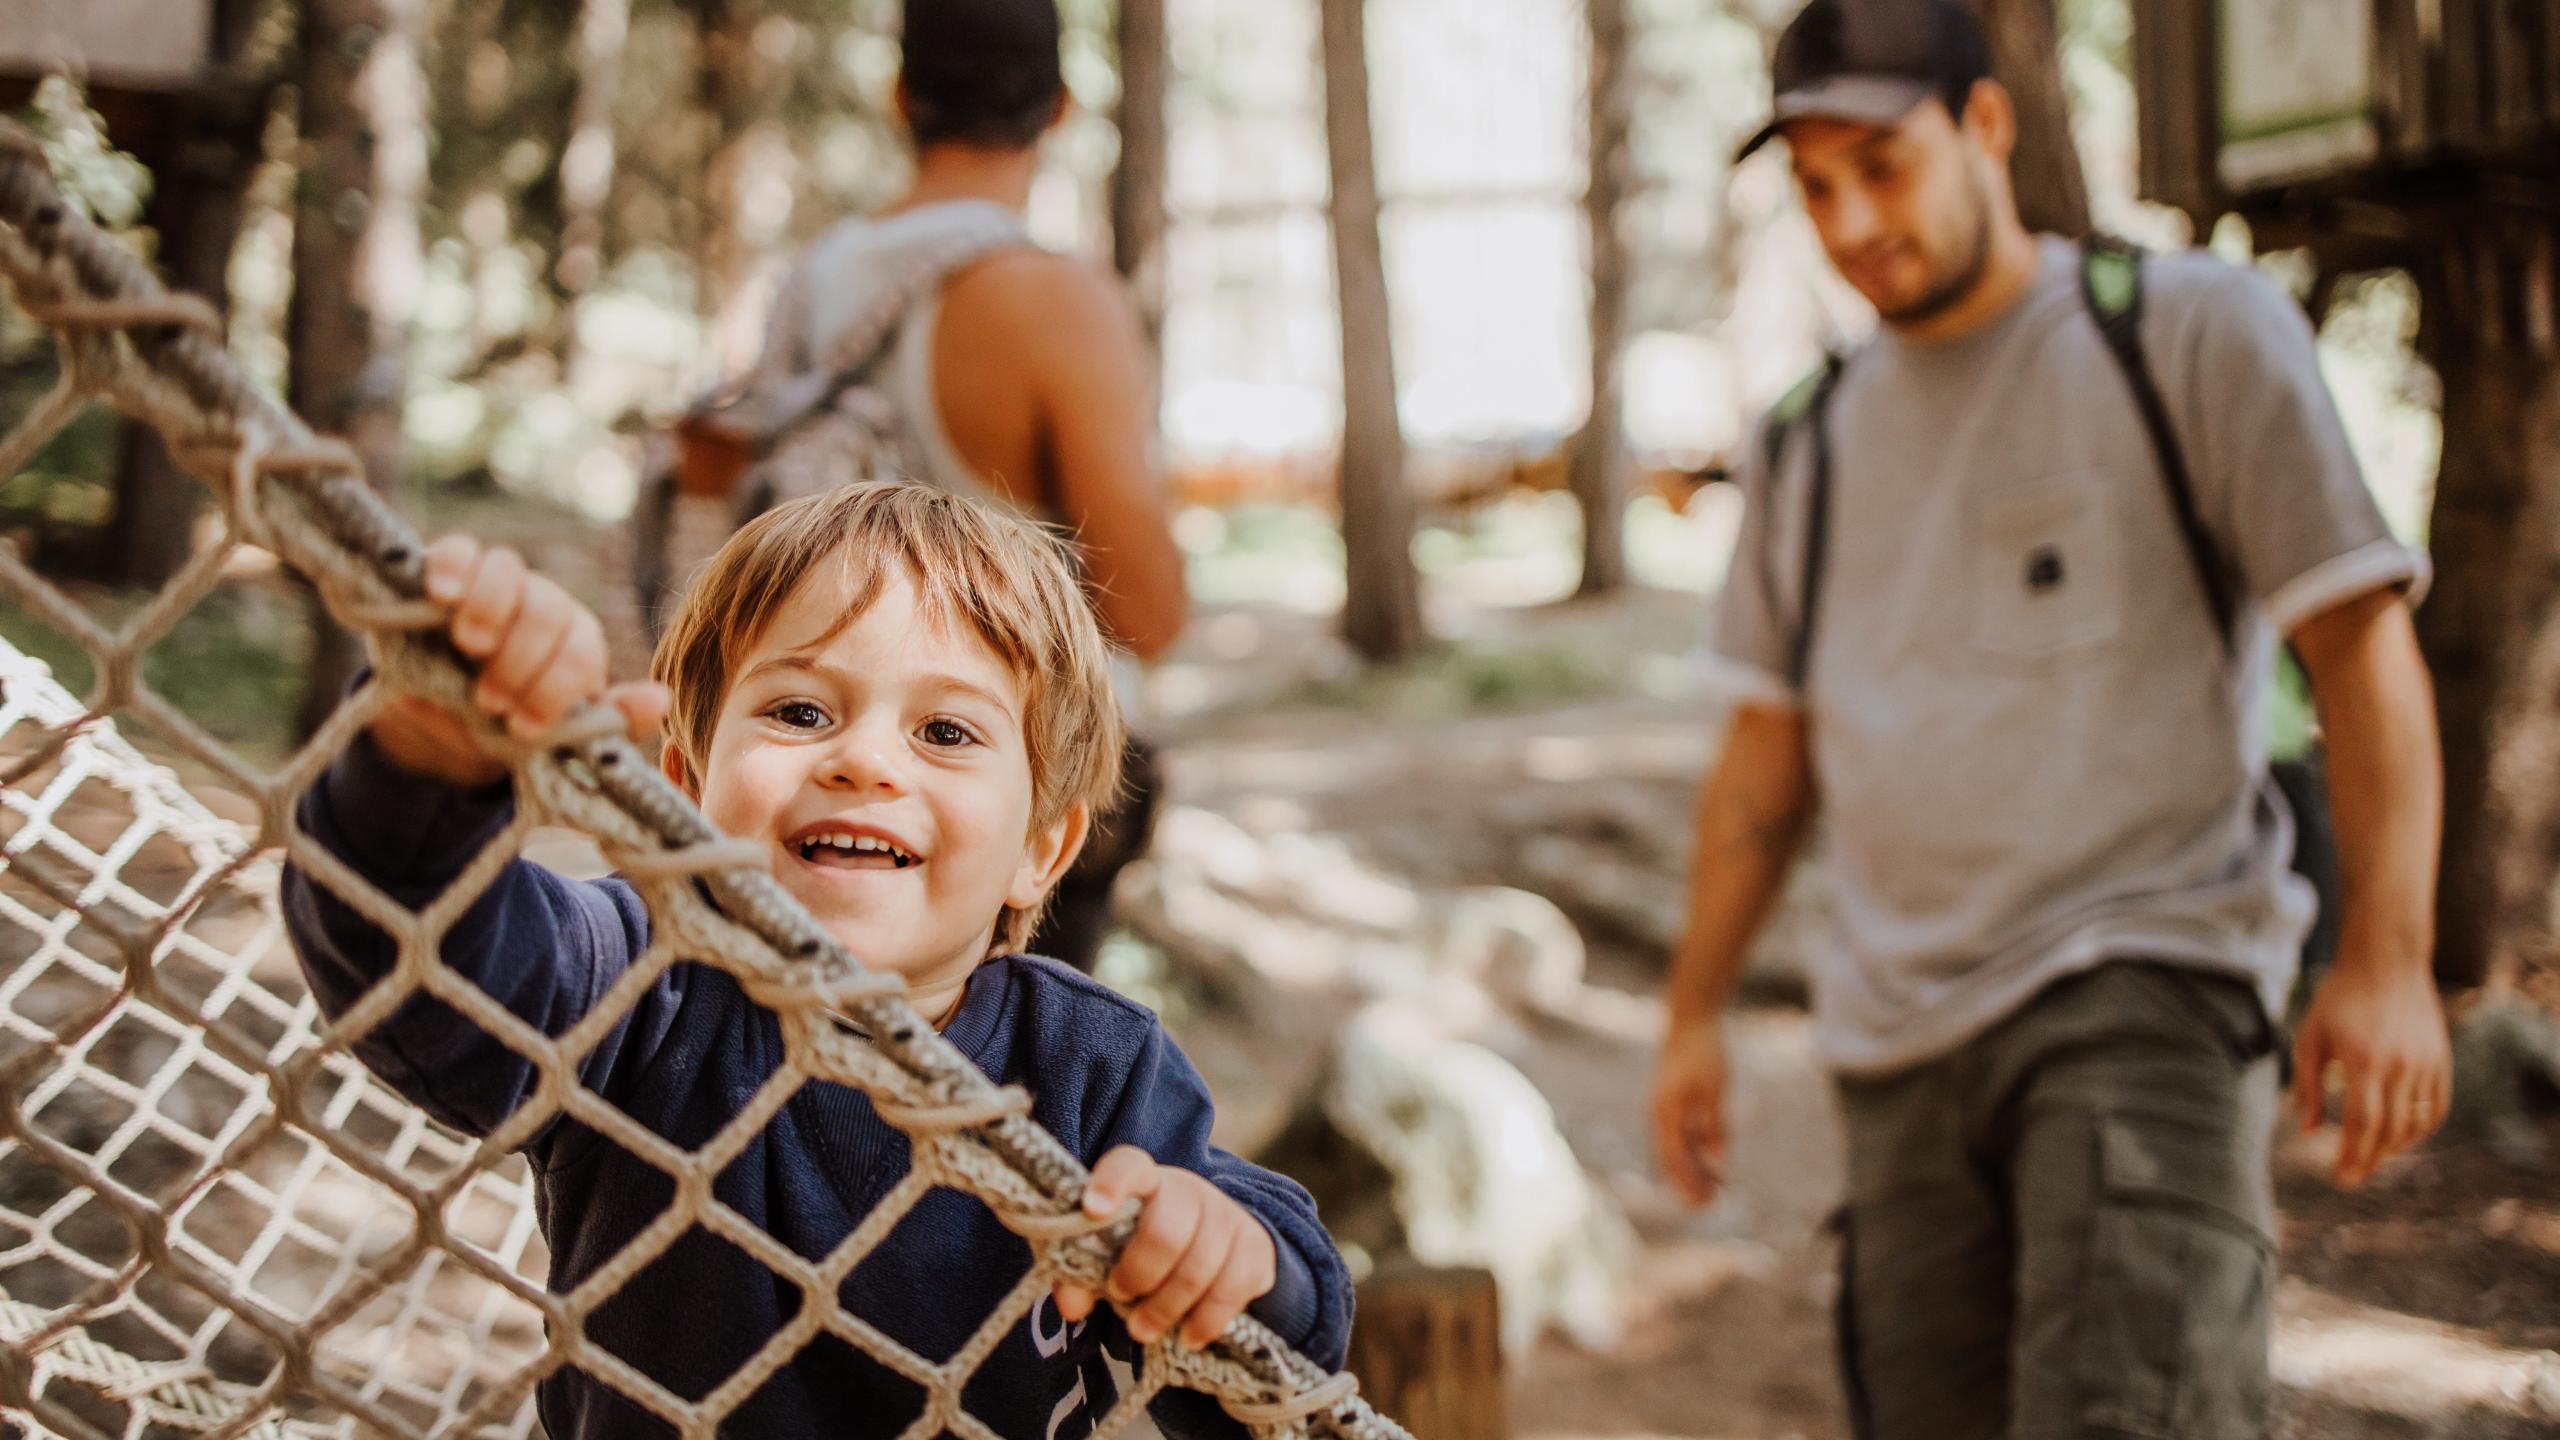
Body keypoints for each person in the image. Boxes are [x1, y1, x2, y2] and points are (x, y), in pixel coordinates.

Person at [1647, 3, 2451, 1437]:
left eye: (1881, 165)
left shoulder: (2187, 333)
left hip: (2145, 983)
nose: (1849, 222)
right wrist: (1693, 1014)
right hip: (1898, 1046)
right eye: (1816, 186)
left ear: (1986, 124)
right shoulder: (1806, 438)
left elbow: (2358, 639)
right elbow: (1768, 757)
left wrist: (2388, 961)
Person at [282, 483, 1346, 1439]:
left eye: (945, 732)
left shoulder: (1086, 1064)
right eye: (799, 711)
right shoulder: (637, 985)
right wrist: (423, 768)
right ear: (685, 786)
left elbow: (1281, 1338)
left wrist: (1229, 1257)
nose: (864, 761)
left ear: (1040, 850)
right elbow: (419, 967)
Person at [730, 0, 1186, 974]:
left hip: (815, 777)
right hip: (1003, 802)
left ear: (901, 98)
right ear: (1060, 108)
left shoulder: (809, 285)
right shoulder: (1056, 299)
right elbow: (1147, 614)